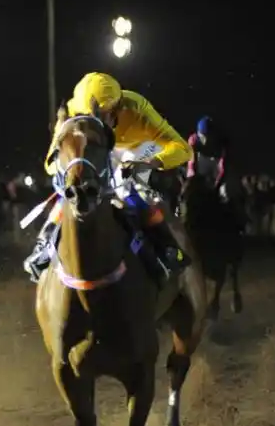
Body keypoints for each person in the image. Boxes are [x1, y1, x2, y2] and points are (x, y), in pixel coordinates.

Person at [23, 71, 193, 284]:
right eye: (88, 115)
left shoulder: (136, 107)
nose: (94, 121)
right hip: (98, 150)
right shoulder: (72, 111)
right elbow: (50, 163)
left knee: (132, 188)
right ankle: (43, 245)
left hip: (138, 149)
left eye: (102, 114)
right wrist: (66, 168)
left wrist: (149, 164)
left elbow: (184, 149)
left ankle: (168, 248)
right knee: (69, 192)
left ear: (118, 108)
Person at [186, 115, 229, 191]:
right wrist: (192, 179)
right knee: (194, 181)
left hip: (216, 159)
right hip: (202, 158)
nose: (205, 140)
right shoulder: (193, 140)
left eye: (207, 136)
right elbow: (191, 163)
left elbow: (222, 167)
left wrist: (217, 186)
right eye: (203, 136)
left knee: (224, 188)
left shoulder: (221, 142)